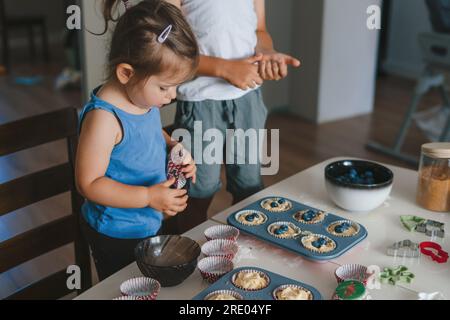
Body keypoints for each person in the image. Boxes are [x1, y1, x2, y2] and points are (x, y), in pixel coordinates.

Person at [75, 0, 199, 280]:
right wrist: (148, 196)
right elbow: (88, 183)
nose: (173, 95)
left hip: (148, 219)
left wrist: (173, 146)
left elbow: (149, 132)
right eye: (166, 87)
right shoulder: (104, 119)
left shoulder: (142, 99)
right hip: (116, 231)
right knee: (128, 287)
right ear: (126, 73)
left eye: (177, 86)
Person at [166, 0, 301, 233]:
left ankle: (247, 253)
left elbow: (260, 30)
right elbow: (169, 45)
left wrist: (267, 52)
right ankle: (189, 253)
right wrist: (224, 68)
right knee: (199, 189)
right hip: (200, 103)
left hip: (247, 100)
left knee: (249, 187)